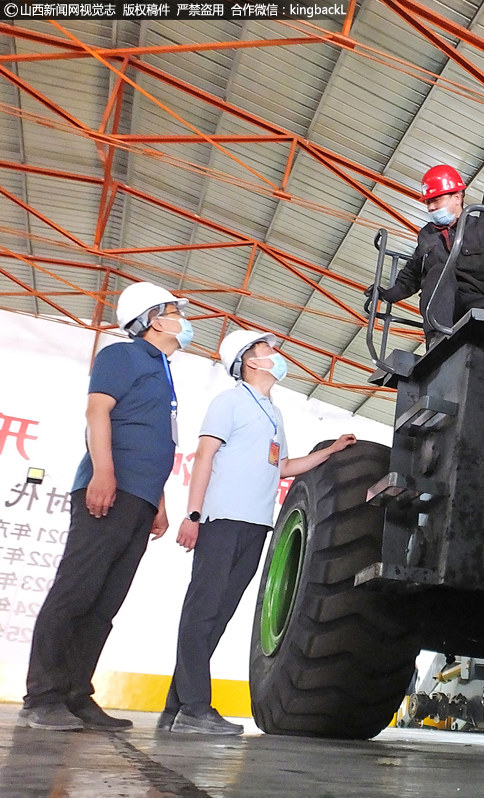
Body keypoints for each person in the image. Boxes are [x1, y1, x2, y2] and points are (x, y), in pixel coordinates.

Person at [158, 330, 357, 735]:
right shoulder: (228, 402)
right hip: (221, 520)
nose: (275, 354)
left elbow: (282, 466)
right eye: (267, 350)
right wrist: (192, 515)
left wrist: (330, 452)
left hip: (256, 524)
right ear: (249, 361)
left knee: (220, 613)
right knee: (202, 612)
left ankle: (175, 707)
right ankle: (195, 709)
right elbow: (204, 457)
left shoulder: (273, 413)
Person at [20, 282, 192, 731]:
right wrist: (103, 473)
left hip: (139, 499)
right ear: (154, 319)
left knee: (105, 603)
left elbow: (158, 443)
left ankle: (77, 695)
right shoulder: (122, 355)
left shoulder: (164, 371)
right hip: (108, 489)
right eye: (175, 311)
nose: (183, 319)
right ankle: (43, 696)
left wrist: (159, 501)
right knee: (76, 591)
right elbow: (98, 412)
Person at [369, 164, 484, 342]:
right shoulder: (427, 236)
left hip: (479, 303)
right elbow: (411, 276)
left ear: (457, 197)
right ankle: (437, 340)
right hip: (443, 310)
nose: (431, 207)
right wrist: (385, 295)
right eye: (428, 202)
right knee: (439, 271)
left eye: (435, 200)